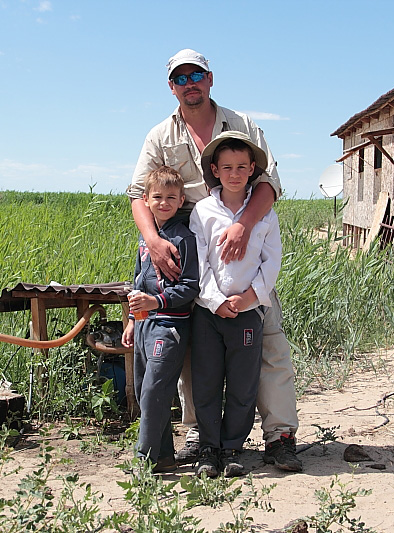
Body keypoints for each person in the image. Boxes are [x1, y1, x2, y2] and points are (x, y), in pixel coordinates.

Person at [127, 48, 302, 472]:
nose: (190, 84)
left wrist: (244, 225)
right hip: (189, 247)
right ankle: (200, 435)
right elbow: (138, 194)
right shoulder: (160, 135)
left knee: (268, 342)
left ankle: (279, 435)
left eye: (196, 75)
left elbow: (269, 182)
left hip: (245, 238)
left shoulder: (241, 125)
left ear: (210, 78)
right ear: (171, 87)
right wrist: (153, 240)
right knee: (194, 349)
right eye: (180, 78)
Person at [188, 131, 281, 478]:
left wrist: (248, 298)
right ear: (215, 170)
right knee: (206, 381)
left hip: (247, 313)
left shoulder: (265, 215)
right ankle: (208, 449)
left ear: (253, 168)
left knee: (243, 384)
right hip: (208, 313)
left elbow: (271, 263)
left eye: (242, 166)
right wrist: (214, 300)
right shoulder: (203, 211)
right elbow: (199, 262)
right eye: (226, 167)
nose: (234, 174)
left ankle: (232, 448)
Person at [121, 166, 200, 473]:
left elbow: (190, 286)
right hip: (144, 324)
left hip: (170, 326)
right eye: (157, 197)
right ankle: (163, 456)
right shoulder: (146, 239)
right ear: (146, 199)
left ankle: (144, 459)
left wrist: (156, 301)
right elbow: (138, 280)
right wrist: (132, 319)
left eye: (170, 197)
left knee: (155, 391)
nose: (164, 203)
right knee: (144, 390)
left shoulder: (184, 238)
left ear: (181, 200)